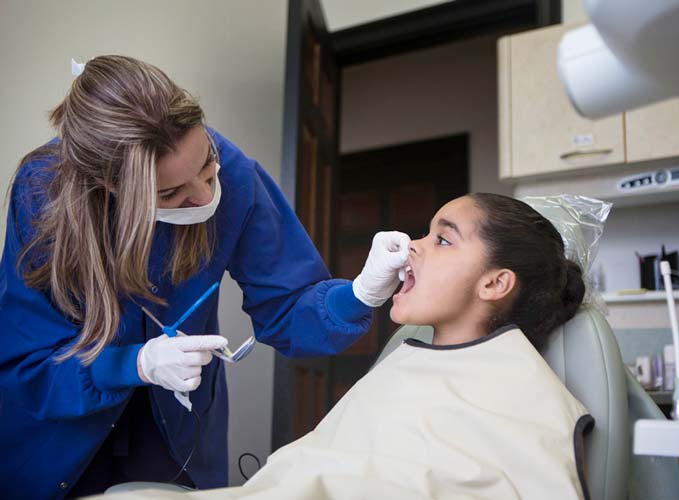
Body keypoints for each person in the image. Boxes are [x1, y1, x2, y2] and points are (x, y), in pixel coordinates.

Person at [0, 55, 410, 499]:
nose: (205, 194)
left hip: (174, 422)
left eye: (206, 166)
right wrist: (135, 363)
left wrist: (360, 293)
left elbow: (289, 309)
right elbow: (26, 364)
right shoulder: (44, 190)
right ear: (107, 188)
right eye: (171, 193)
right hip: (59, 427)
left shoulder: (234, 173)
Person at [99, 193, 592, 500]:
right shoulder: (409, 356)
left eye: (442, 240)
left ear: (495, 283)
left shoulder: (519, 389)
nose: (413, 245)